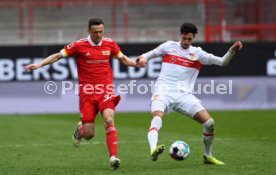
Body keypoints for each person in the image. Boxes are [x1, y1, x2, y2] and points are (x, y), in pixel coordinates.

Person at [24, 17, 140, 170]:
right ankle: (80, 130)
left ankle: (113, 157)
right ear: (88, 31)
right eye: (95, 32)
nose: (98, 35)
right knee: (89, 134)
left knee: (109, 119)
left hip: (105, 90)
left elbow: (123, 59)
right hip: (87, 93)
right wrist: (39, 64)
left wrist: (136, 63)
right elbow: (58, 55)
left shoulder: (110, 43)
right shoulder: (79, 45)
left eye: (101, 31)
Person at [136, 23, 242, 165]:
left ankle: (207, 156)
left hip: (184, 95)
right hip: (163, 91)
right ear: (181, 35)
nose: (186, 42)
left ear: (194, 38)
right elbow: (147, 55)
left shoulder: (198, 53)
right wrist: (142, 59)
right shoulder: (168, 46)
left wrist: (231, 51)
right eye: (184, 38)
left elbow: (222, 62)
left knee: (209, 123)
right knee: (156, 117)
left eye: (189, 39)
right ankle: (153, 149)